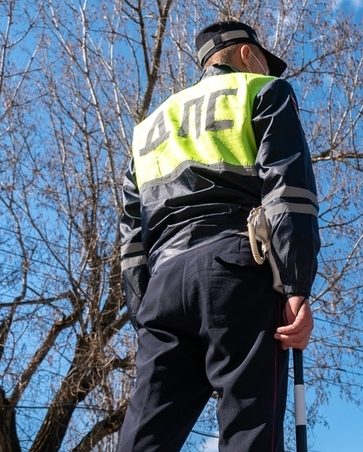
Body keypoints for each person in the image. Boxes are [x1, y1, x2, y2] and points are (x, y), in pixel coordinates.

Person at [118, 20, 320, 452]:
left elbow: (132, 243)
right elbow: (289, 194)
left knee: (142, 441)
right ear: (247, 54)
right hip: (234, 270)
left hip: (163, 288)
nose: (268, 68)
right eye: (265, 60)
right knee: (251, 432)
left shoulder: (147, 129)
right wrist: (296, 286)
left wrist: (145, 314)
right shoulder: (264, 90)